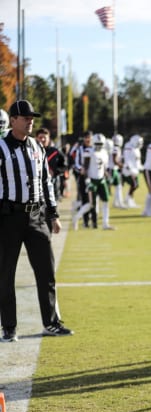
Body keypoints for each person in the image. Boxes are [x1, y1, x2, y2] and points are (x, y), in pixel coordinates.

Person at [0, 100, 74, 342]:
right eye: (25, 117)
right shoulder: (0, 147)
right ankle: (9, 327)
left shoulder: (37, 147)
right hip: (8, 217)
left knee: (46, 271)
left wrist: (52, 214)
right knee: (5, 273)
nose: (30, 121)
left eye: (32, 117)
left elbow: (46, 183)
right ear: (13, 120)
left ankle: (51, 322)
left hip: (36, 217)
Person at [72, 133, 115, 231]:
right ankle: (76, 217)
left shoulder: (104, 152)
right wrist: (87, 180)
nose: (99, 145)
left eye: (101, 143)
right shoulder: (88, 151)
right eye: (97, 143)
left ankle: (105, 223)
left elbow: (104, 167)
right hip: (92, 180)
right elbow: (85, 167)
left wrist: (108, 176)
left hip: (101, 179)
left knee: (106, 201)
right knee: (91, 204)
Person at [36, 127, 67, 203]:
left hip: (53, 188)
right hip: (36, 189)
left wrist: (55, 171)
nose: (43, 140)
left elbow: (64, 167)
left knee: (52, 212)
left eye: (45, 137)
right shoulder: (31, 151)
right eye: (40, 137)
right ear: (36, 138)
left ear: (49, 138)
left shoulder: (55, 152)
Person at [121, 134, 143, 208]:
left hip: (135, 170)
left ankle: (129, 199)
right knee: (134, 184)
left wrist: (140, 167)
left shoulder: (137, 149)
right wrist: (131, 170)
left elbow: (137, 161)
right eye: (138, 143)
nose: (139, 145)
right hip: (128, 170)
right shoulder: (128, 147)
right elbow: (127, 160)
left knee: (135, 185)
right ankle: (127, 199)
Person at [110, 134, 125, 208]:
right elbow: (115, 160)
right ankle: (119, 203)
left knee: (118, 186)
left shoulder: (114, 147)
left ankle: (117, 202)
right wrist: (122, 166)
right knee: (108, 187)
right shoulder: (115, 148)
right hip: (111, 169)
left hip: (114, 169)